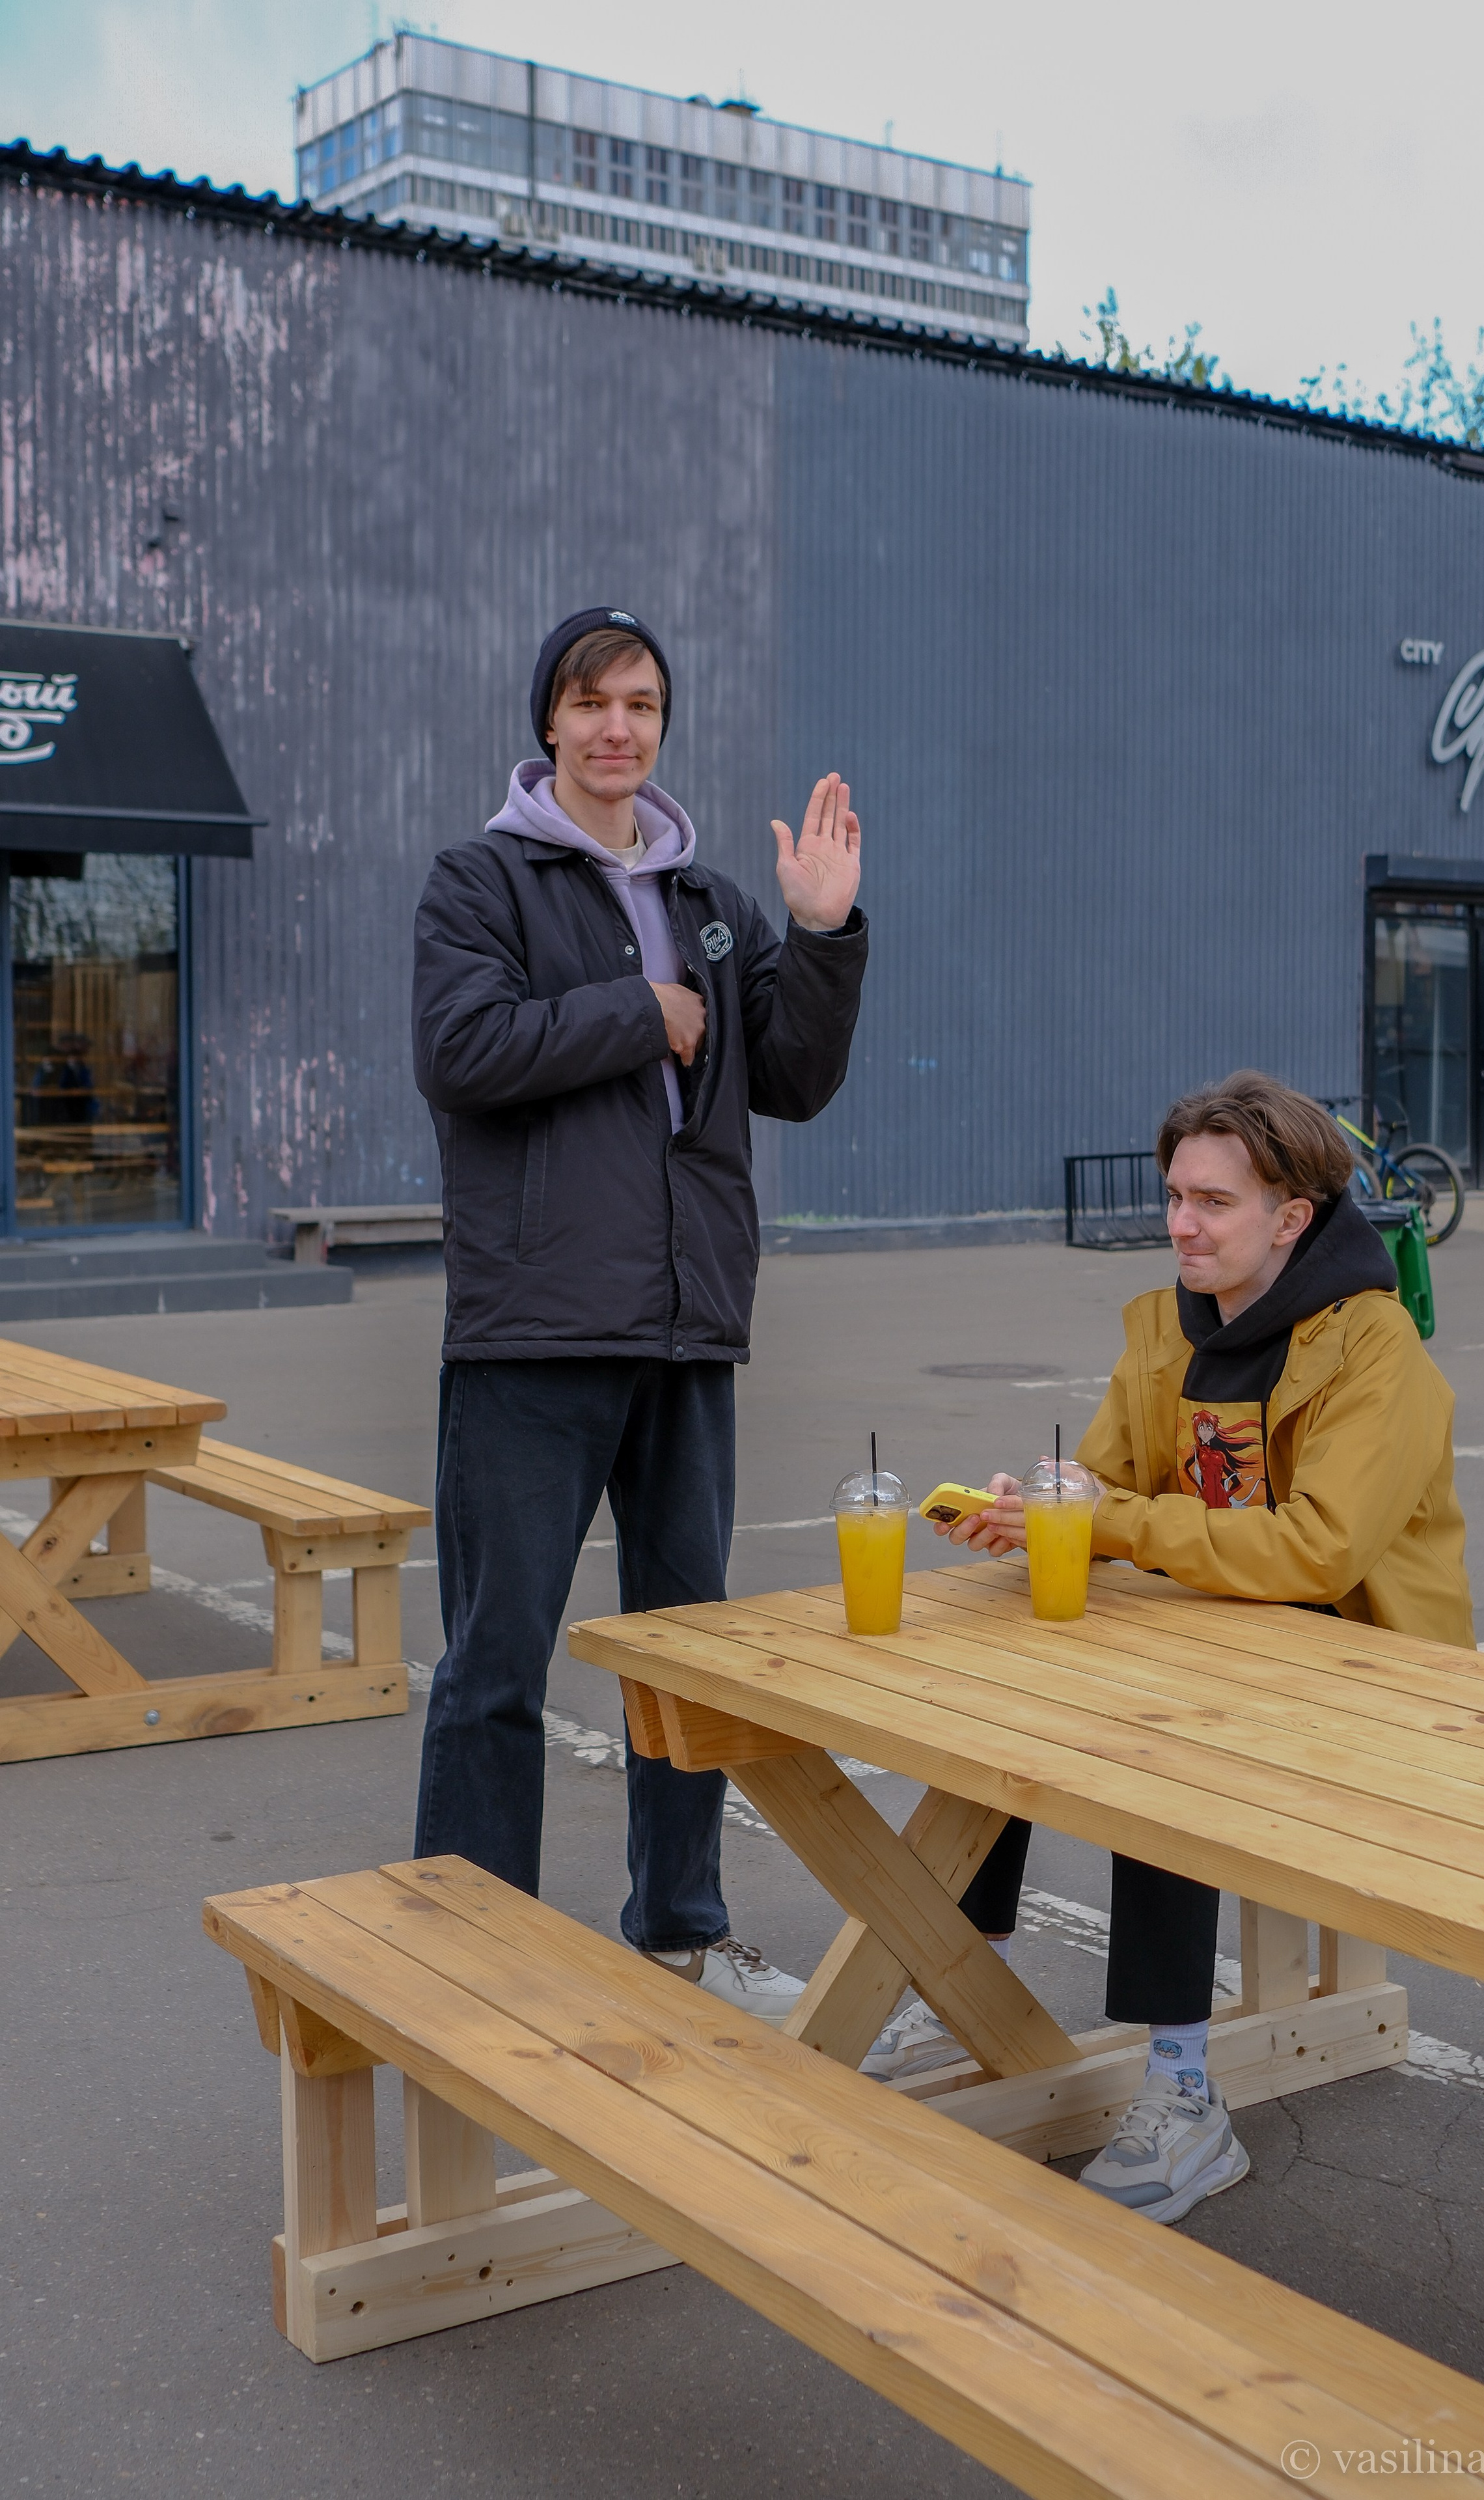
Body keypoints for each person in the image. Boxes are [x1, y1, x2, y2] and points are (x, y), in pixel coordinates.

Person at [893, 1069, 1472, 2222]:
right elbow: (1108, 1480)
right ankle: (963, 1982)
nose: (1180, 1225)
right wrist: (1038, 1501)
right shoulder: (1169, 1327)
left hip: (1372, 1667)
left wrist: (1104, 1521)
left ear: (1291, 1218)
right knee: (1004, 1680)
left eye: (1212, 1203)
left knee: (1156, 1741)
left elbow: (1320, 1553)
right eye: (1174, 1197)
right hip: (1223, 1634)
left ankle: (1183, 2089)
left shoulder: (1377, 1348)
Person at [410, 606, 868, 2023]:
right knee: (497, 1657)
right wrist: (640, 1011)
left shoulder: (712, 900)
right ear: (546, 721)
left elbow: (790, 1077)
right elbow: (462, 1050)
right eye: (591, 701)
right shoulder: (478, 880)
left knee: (684, 1659)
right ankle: (469, 1950)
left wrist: (823, 932)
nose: (618, 727)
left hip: (683, 1328)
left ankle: (680, 1924)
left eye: (643, 705)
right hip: (535, 1329)